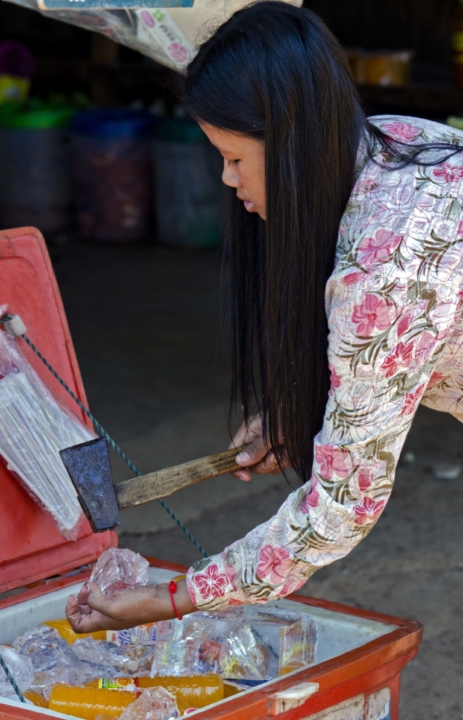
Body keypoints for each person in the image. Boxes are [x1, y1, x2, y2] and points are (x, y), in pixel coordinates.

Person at [67, 1, 463, 632]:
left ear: (292, 145)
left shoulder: (384, 273)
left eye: (235, 158)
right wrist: (308, 410)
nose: (228, 179)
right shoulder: (392, 138)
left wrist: (174, 598)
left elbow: (339, 508)